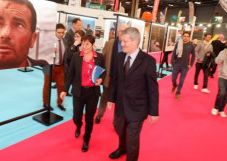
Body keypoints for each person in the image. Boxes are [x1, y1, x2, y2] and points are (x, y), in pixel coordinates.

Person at [108, 27, 159, 161]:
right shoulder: (119, 57)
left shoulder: (148, 61)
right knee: (121, 131)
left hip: (138, 108)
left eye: (125, 41)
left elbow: (153, 88)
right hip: (120, 106)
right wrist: (111, 98)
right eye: (121, 41)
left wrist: (154, 111)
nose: (122, 44)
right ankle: (121, 148)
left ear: (136, 41)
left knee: (132, 139)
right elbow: (115, 79)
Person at [60, 35, 105, 152]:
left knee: (90, 118)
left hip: (92, 93)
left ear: (93, 45)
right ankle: (78, 126)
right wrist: (65, 90)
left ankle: (86, 139)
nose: (84, 47)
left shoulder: (99, 57)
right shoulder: (76, 57)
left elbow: (103, 72)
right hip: (78, 92)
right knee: (76, 117)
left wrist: (101, 80)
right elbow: (70, 75)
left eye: (87, 44)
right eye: (83, 43)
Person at [97, 24, 128, 126]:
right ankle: (99, 115)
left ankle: (116, 122)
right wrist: (98, 75)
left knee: (119, 102)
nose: (121, 33)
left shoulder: (128, 46)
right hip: (109, 77)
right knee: (104, 97)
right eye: (120, 31)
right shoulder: (110, 43)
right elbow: (102, 59)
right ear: (117, 32)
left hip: (122, 80)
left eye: (124, 31)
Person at [42, 23, 66, 111]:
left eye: (63, 32)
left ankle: (60, 103)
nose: (61, 34)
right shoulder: (49, 41)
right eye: (59, 32)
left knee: (61, 86)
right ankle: (46, 103)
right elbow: (42, 53)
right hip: (50, 67)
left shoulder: (64, 41)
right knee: (47, 85)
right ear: (55, 32)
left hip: (60, 67)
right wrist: (50, 51)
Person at [171, 31, 195, 100]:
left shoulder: (191, 45)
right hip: (177, 64)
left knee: (181, 81)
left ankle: (178, 93)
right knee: (173, 78)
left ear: (189, 37)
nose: (186, 37)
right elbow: (174, 53)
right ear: (182, 36)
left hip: (185, 66)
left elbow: (193, 55)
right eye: (185, 36)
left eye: (187, 36)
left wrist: (191, 64)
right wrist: (173, 63)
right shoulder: (178, 43)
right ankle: (174, 85)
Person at [64, 30, 85, 96]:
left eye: (78, 36)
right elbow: (69, 57)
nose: (76, 38)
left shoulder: (84, 46)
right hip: (70, 66)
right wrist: (74, 46)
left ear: (82, 37)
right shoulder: (72, 45)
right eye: (75, 36)